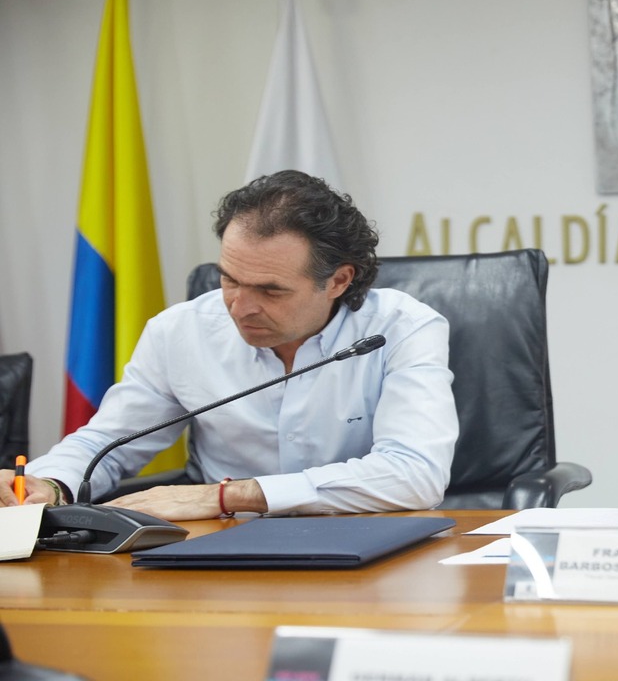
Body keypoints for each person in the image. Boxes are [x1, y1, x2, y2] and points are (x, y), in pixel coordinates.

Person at [1, 170, 458, 520]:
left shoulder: (401, 328)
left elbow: (414, 474)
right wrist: (51, 484)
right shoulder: (180, 331)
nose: (240, 307)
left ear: (338, 280)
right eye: (229, 280)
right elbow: (108, 442)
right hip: (222, 545)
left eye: (270, 290)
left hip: (367, 540)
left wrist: (226, 494)